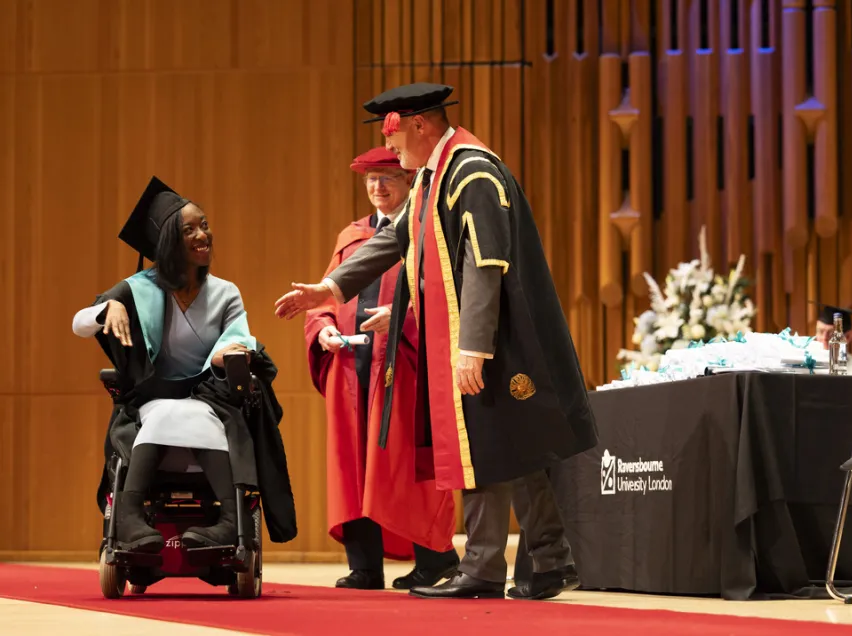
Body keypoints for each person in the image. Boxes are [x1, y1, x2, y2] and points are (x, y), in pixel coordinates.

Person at [275, 83, 596, 600]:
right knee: (518, 449)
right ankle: (551, 561)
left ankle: (485, 570)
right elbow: (393, 239)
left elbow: (485, 263)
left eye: (397, 142)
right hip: (482, 336)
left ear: (420, 125)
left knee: (485, 449)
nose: (395, 155)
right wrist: (331, 288)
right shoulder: (433, 177)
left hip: (497, 338)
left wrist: (473, 347)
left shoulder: (472, 171)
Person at [73, 176, 296, 553]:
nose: (202, 235)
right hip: (151, 396)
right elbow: (79, 323)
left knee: (195, 415)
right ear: (167, 244)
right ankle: (130, 518)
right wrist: (107, 306)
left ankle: (228, 522)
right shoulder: (137, 288)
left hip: (210, 395)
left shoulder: (225, 292)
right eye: (188, 230)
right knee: (166, 414)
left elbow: (237, 337)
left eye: (204, 225)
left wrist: (234, 349)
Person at [305, 147, 459, 590]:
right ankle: (364, 566)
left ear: (409, 182)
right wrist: (322, 331)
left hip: (402, 367)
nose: (378, 187)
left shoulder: (425, 233)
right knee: (351, 467)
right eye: (371, 179)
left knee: (405, 466)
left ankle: (435, 559)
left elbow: (443, 295)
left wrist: (404, 317)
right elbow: (325, 299)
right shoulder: (350, 236)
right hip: (351, 369)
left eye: (387, 177)